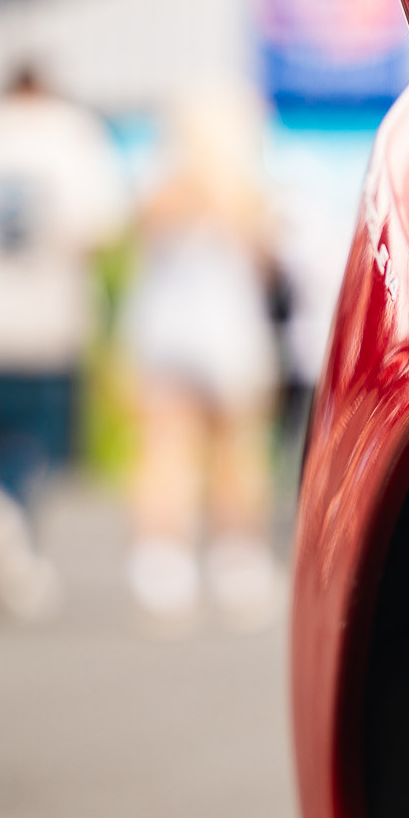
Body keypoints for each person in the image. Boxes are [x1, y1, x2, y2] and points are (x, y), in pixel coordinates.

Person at [0, 62, 128, 619]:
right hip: (47, 312)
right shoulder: (73, 135)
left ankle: (7, 552)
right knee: (34, 442)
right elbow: (99, 227)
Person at [121, 85, 283, 632]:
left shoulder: (236, 190)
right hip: (203, 335)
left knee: (224, 453)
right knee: (188, 450)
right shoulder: (180, 185)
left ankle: (209, 563)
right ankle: (176, 564)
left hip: (201, 332)